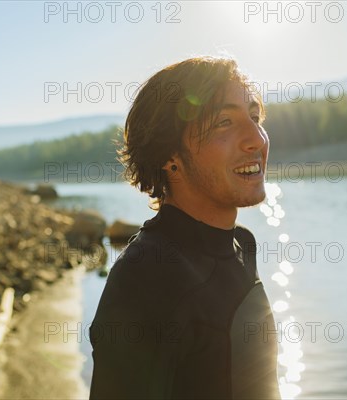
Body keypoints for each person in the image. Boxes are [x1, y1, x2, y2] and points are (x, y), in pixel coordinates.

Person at [89, 57, 281, 399]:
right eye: (224, 121)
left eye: (254, 117)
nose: (256, 139)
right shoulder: (146, 278)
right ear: (169, 154)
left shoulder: (239, 245)